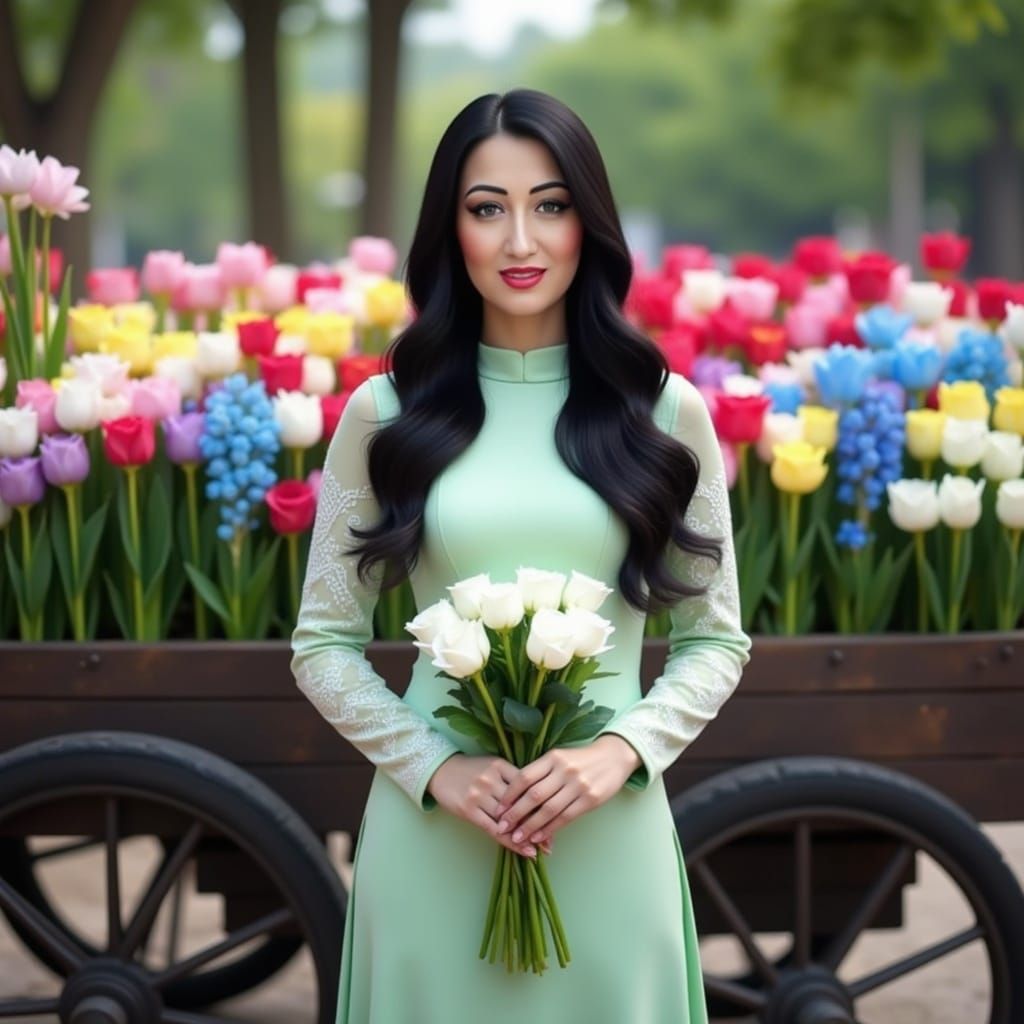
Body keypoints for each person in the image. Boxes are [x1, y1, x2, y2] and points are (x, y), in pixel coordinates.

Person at [290, 87, 750, 1024]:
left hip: (607, 830)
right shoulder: (385, 417)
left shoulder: (666, 416)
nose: (520, 242)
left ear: (590, 221)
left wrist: (619, 752)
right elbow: (323, 644)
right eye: (486, 209)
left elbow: (715, 641)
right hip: (433, 837)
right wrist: (434, 768)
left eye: (550, 205)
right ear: (449, 230)